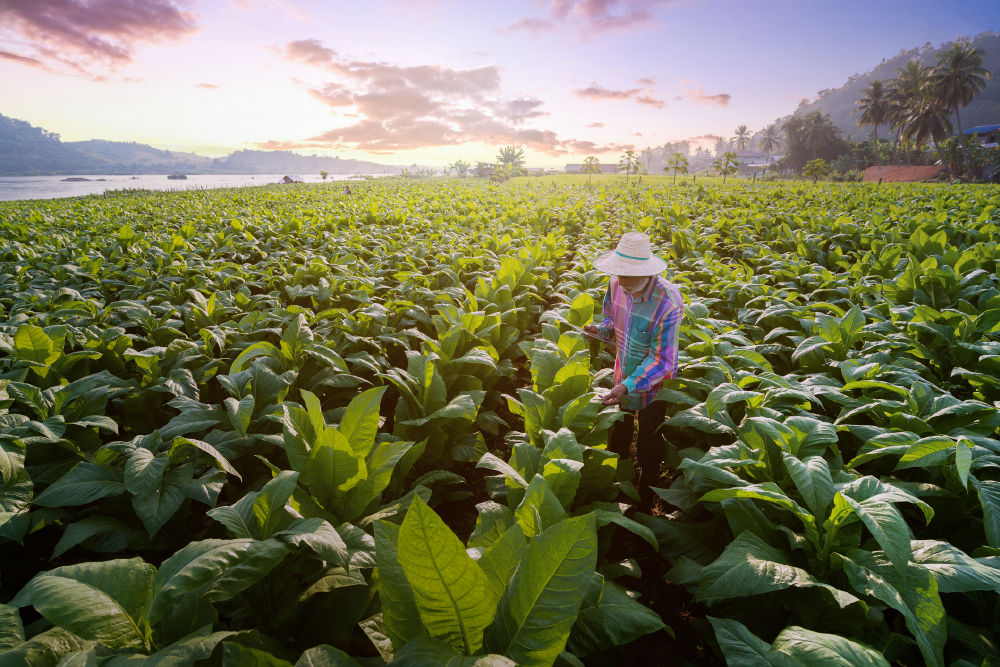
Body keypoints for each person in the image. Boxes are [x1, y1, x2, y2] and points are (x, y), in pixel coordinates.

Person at [583, 231, 684, 512]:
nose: (620, 281)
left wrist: (629, 385)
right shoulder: (616, 284)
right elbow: (610, 318)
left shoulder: (668, 303)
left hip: (654, 385)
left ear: (645, 273)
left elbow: (663, 360)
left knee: (649, 445)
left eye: (626, 275)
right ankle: (617, 492)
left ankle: (644, 502)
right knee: (619, 437)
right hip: (621, 374)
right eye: (617, 273)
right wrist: (599, 331)